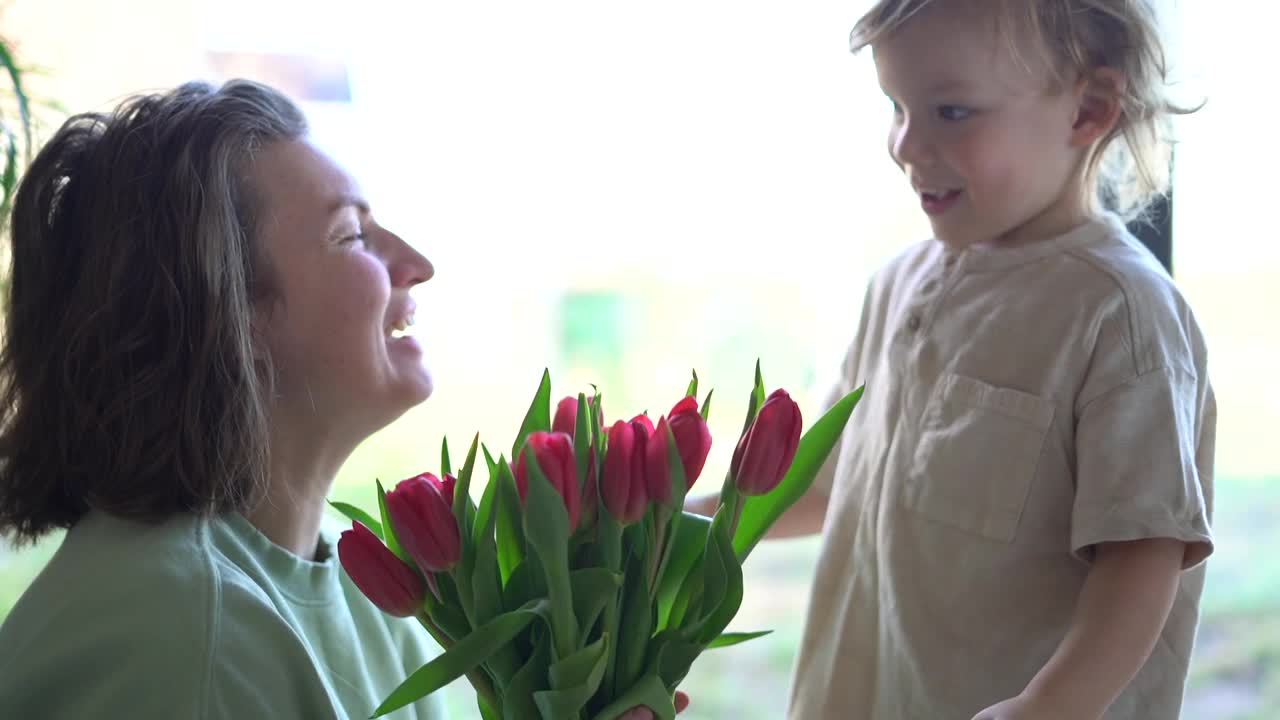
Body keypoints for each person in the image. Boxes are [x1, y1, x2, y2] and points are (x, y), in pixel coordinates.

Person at [0, 79, 681, 720]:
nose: (416, 261)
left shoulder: (356, 575)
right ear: (228, 312)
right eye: (351, 234)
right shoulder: (177, 642)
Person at [693, 1, 1215, 718]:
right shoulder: (896, 286)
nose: (906, 144)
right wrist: (690, 521)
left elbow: (1143, 555)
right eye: (897, 106)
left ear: (1087, 110)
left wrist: (1046, 706)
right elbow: (827, 483)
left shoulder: (1120, 313)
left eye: (951, 112)